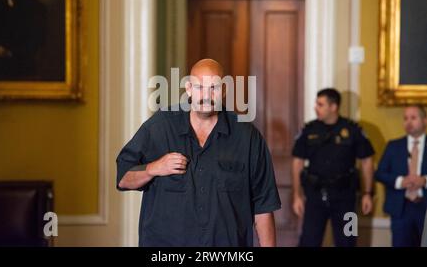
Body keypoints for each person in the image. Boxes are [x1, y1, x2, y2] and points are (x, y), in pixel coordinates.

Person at [116, 59, 281, 247]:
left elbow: (264, 207)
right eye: (199, 87)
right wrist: (153, 168)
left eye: (214, 88)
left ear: (225, 90)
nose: (206, 95)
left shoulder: (247, 137)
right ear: (188, 88)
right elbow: (123, 178)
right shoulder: (160, 127)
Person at [292, 88, 375, 247]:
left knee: (348, 240)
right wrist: (297, 195)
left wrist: (367, 193)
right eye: (317, 104)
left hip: (346, 196)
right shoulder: (309, 130)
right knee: (309, 241)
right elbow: (297, 162)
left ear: (333, 106)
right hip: (315, 196)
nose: (316, 107)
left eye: (320, 104)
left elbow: (367, 161)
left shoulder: (353, 130)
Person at [375, 106, 427, 247]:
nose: (408, 122)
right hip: (401, 208)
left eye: (413, 118)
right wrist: (400, 181)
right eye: (405, 119)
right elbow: (380, 173)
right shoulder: (393, 146)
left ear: (424, 121)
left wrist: (424, 180)